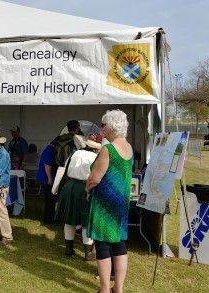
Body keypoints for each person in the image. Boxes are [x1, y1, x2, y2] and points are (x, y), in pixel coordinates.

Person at [85, 110, 133, 293]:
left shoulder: (108, 149)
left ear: (111, 126)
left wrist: (87, 188)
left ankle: (105, 290)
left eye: (103, 125)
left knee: (103, 245)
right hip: (121, 203)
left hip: (105, 204)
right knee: (119, 244)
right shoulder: (128, 147)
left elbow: (95, 178)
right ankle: (118, 289)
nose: (101, 128)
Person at [55, 133, 102, 261]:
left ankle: (68, 249)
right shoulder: (96, 157)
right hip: (85, 188)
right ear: (97, 147)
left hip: (69, 186)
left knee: (69, 219)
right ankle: (88, 254)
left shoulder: (74, 153)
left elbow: (65, 168)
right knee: (86, 221)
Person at [36, 136, 60, 224]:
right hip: (46, 179)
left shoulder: (48, 149)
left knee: (50, 200)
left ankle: (49, 218)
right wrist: (50, 178)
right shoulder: (50, 151)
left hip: (46, 178)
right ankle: (49, 219)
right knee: (49, 200)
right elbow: (47, 165)